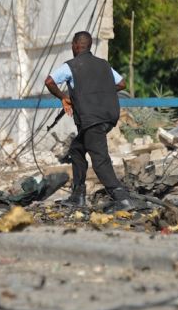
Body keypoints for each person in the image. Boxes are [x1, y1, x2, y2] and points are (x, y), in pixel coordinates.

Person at [44, 31, 135, 210]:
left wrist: (63, 97)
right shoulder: (104, 65)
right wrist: (102, 92)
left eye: (72, 45)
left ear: (75, 45)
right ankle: (78, 196)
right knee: (77, 150)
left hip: (92, 120)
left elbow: (49, 81)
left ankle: (122, 199)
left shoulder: (71, 66)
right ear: (89, 46)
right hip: (108, 116)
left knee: (100, 160)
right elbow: (122, 83)